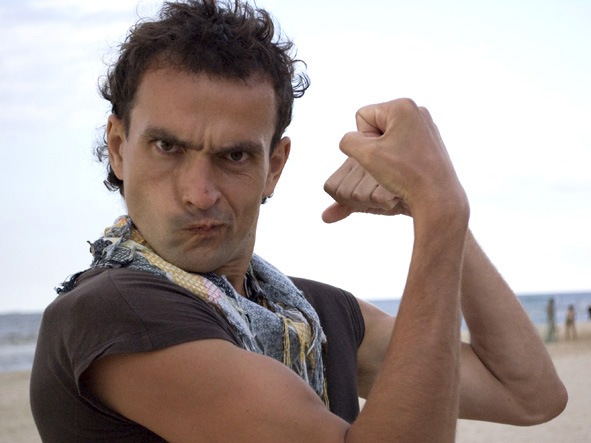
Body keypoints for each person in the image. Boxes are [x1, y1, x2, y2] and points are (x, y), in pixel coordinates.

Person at [30, 1, 567, 441]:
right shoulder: (114, 313)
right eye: (167, 147)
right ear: (118, 148)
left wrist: (438, 210)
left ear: (274, 166)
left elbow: (528, 395)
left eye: (234, 156)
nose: (199, 193)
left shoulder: (308, 315)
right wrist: (439, 211)